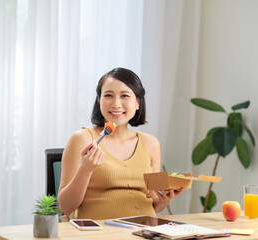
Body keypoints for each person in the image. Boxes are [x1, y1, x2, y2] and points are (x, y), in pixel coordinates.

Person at [58, 67, 183, 219]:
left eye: (125, 96)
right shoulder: (81, 139)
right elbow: (65, 207)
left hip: (146, 232)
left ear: (137, 103)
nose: (116, 104)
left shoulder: (152, 143)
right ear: (99, 101)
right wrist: (85, 169)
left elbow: (154, 203)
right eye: (108, 95)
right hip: (100, 233)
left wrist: (164, 200)